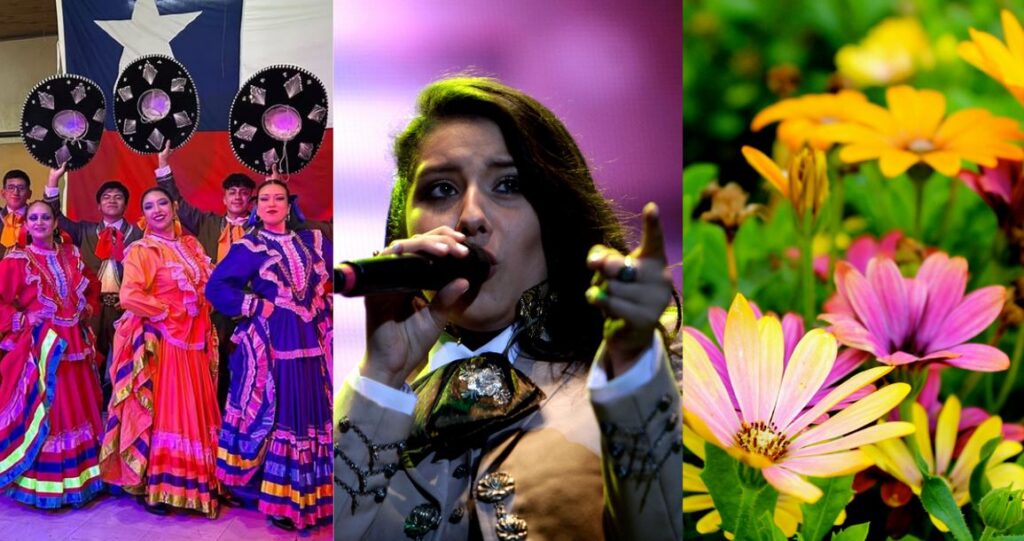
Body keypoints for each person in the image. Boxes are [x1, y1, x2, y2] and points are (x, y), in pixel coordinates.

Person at [333, 77, 682, 540]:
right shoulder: (377, 402)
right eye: (440, 190)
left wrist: (634, 362)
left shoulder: (644, 371)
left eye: (509, 184)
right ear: (405, 227)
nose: (471, 216)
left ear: (555, 218)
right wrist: (381, 374)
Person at [206, 179, 333, 531]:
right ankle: (282, 499)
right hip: (276, 340)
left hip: (313, 339)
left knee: (311, 411)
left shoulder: (313, 240)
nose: (272, 203)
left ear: (289, 205)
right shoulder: (250, 245)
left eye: (279, 198)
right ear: (256, 206)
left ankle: (316, 494)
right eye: (264, 199)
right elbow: (216, 287)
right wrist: (255, 305)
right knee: (284, 414)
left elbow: (339, 274)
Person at [99, 186, 222, 517]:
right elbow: (129, 296)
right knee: (168, 413)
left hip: (194, 345)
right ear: (144, 215)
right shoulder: (142, 250)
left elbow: (207, 289)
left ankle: (196, 483)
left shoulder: (192, 245)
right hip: (165, 344)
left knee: (195, 411)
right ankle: (160, 488)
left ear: (175, 206)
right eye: (149, 206)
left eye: (162, 203)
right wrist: (166, 312)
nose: (157, 210)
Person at [0, 200, 103, 508]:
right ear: (26, 225)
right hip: (42, 347)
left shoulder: (70, 254)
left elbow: (90, 288)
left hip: (74, 345)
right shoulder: (17, 260)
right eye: (34, 218)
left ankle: (80, 480)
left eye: (46, 217)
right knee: (50, 409)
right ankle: (44, 484)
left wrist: (86, 306)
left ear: (56, 222)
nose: (40, 222)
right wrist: (20, 319)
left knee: (79, 408)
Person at [43, 165, 143, 405]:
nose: (112, 201)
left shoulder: (139, 235)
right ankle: (92, 409)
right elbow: (55, 216)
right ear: (98, 205)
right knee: (92, 359)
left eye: (118, 197)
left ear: (125, 205)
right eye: (106, 197)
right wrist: (53, 180)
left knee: (124, 360)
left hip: (126, 308)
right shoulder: (85, 231)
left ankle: (121, 411)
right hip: (93, 308)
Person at [0, 170, 33, 257]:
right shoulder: (1, 217)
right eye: (11, 187)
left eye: (21, 188)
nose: (15, 192)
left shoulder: (37, 217)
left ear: (29, 194)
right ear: (3, 193)